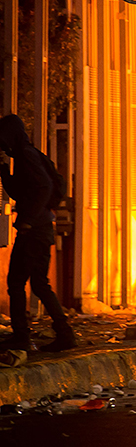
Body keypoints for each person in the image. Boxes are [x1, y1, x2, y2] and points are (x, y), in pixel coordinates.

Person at [0, 114, 76, 353]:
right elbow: (22, 194)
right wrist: (4, 173)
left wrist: (28, 222)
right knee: (39, 284)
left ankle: (23, 336)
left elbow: (44, 187)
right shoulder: (27, 155)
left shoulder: (27, 155)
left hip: (35, 229)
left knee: (17, 282)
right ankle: (64, 334)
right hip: (40, 227)